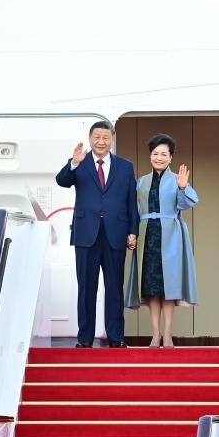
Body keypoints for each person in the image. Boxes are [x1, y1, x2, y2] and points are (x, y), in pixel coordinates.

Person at [56, 120, 139, 348]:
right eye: (97, 137)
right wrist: (73, 163)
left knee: (114, 288)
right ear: (90, 138)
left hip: (116, 233)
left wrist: (133, 230)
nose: (101, 142)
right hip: (86, 234)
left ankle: (116, 337)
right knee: (86, 288)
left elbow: (131, 201)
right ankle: (85, 338)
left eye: (105, 138)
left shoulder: (125, 166)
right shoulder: (79, 163)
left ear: (112, 139)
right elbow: (62, 181)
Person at [125, 133, 198, 348]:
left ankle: (167, 334)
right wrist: (132, 234)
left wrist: (183, 187)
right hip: (148, 236)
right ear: (150, 156)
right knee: (152, 288)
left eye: (164, 154)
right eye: (155, 153)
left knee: (169, 287)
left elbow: (187, 204)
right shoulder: (141, 182)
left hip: (171, 237)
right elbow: (135, 211)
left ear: (170, 158)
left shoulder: (177, 179)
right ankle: (155, 334)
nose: (159, 157)